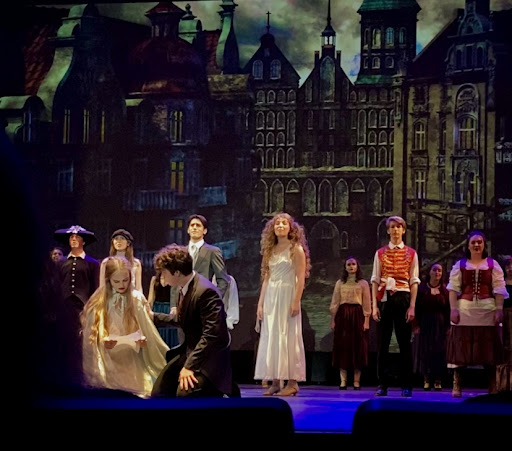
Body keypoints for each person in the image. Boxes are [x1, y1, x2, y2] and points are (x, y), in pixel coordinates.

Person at [149, 244, 234, 398]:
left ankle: (219, 392)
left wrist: (189, 366)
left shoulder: (205, 292)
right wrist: (153, 317)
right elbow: (183, 318)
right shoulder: (184, 286)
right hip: (191, 352)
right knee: (159, 392)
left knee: (185, 394)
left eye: (164, 272)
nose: (162, 276)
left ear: (176, 272)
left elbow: (211, 335)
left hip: (209, 358)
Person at [81, 256, 169, 397]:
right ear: (108, 280)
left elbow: (147, 330)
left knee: (133, 394)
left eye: (125, 280)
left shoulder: (136, 299)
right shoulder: (99, 301)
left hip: (131, 359)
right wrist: (102, 340)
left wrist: (142, 341)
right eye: (116, 281)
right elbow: (91, 334)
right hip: (109, 360)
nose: (122, 285)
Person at [254, 212, 311, 396]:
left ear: (290, 228)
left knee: (288, 336)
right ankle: (276, 381)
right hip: (271, 295)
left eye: (284, 223)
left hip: (287, 295)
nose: (280, 226)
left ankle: (292, 382)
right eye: (277, 223)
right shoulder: (270, 250)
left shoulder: (296, 249)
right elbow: (266, 278)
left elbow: (300, 278)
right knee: (272, 336)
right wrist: (260, 304)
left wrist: (296, 301)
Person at [446, 230, 508, 397]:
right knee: (461, 348)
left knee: (489, 349)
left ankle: (492, 384)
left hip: (487, 310)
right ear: (468, 246)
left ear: (484, 245)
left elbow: (499, 288)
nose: (476, 245)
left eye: (479, 242)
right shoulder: (460, 265)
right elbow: (453, 289)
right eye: (473, 242)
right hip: (465, 310)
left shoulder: (492, 264)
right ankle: (457, 383)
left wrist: (499, 309)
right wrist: (453, 309)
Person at [371, 216, 420, 397]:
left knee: (404, 343)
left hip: (402, 297)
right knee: (383, 343)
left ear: (403, 230)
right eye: (392, 227)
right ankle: (382, 383)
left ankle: (406, 384)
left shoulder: (411, 253)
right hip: (385, 298)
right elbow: (375, 279)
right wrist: (374, 306)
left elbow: (414, 281)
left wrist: (412, 306)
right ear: (388, 230)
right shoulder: (380, 253)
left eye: (398, 227)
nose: (395, 230)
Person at [54, 225, 100, 388]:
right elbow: (56, 286)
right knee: (64, 342)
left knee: (82, 344)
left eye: (77, 237)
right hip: (65, 308)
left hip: (83, 308)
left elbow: (95, 288)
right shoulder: (61, 263)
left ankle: (82, 377)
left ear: (83, 241)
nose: (73, 239)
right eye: (71, 237)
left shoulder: (92, 263)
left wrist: (91, 308)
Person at [330, 256, 371, 390]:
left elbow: (366, 303)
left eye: (353, 264)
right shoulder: (340, 283)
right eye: (348, 264)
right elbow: (335, 302)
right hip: (343, 316)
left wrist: (366, 320)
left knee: (357, 347)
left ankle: (356, 381)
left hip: (357, 316)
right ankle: (343, 381)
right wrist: (333, 319)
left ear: (357, 266)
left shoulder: (363, 283)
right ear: (345, 267)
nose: (351, 266)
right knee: (343, 347)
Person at [412, 262, 450, 391]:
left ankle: (438, 379)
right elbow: (416, 308)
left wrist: (448, 327)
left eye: (439, 271)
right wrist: (416, 324)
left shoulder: (445, 291)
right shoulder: (422, 289)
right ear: (429, 272)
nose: (437, 273)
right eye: (435, 270)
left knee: (439, 352)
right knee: (425, 351)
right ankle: (426, 379)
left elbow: (448, 310)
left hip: (440, 325)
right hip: (425, 323)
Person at [499, 256, 512, 391]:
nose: (511, 268)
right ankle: (503, 383)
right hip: (503, 317)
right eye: (508, 266)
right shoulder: (501, 283)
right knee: (504, 348)